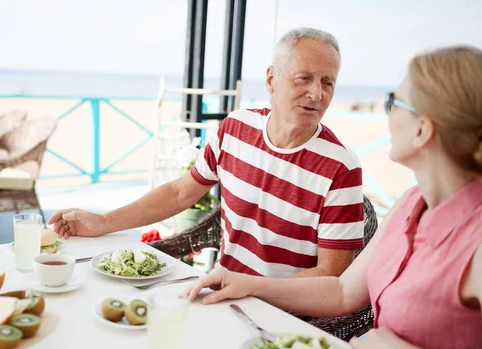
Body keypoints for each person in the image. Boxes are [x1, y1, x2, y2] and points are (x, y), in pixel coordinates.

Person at [185, 45, 482, 349]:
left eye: (393, 102)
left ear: (422, 131)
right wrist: (249, 284)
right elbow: (343, 292)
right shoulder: (410, 204)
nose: (387, 115)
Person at [49, 27, 365, 279]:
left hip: (285, 315)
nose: (317, 94)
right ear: (271, 79)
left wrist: (254, 290)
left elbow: (331, 275)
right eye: (304, 78)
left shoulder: (341, 168)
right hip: (220, 291)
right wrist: (102, 223)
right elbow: (178, 194)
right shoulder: (235, 129)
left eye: (328, 83)